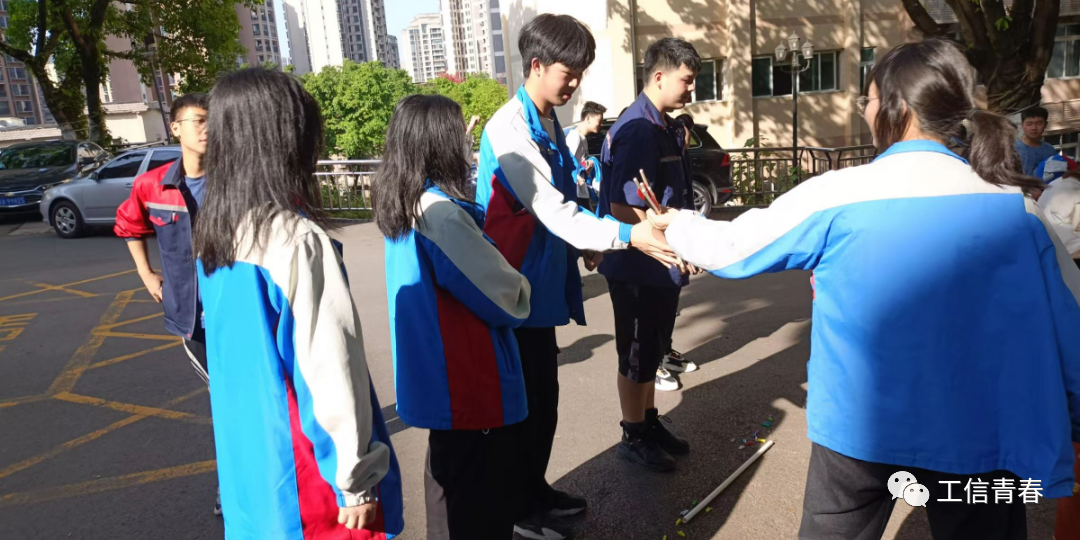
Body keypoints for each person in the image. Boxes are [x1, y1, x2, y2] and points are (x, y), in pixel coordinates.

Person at [648, 39, 1080, 540]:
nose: (866, 111)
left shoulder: (838, 193)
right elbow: (1070, 330)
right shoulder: (1017, 209)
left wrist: (676, 223)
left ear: (894, 107)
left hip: (858, 427)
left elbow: (731, 248)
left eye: (867, 100)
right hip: (976, 434)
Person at [474, 13, 670, 540]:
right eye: (569, 72)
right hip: (511, 290)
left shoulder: (548, 122)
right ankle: (519, 510)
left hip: (538, 286)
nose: (575, 83)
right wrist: (626, 235)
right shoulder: (509, 129)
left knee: (544, 400)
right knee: (522, 407)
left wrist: (588, 242)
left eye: (581, 72)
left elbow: (568, 199)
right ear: (537, 65)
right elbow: (551, 208)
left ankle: (535, 490)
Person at [192, 68, 404, 540]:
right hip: (306, 475)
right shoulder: (293, 238)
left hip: (252, 467)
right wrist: (355, 480)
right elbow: (327, 367)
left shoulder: (216, 232)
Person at [373, 94, 531, 540]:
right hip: (468, 382)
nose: (465, 145)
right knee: (481, 507)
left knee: (446, 494)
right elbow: (507, 297)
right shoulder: (441, 214)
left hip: (436, 376)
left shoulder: (404, 203)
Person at [113, 93, 219, 514]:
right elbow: (128, 225)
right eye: (198, 121)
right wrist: (146, 275)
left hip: (242, 312)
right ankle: (232, 486)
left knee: (255, 396)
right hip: (192, 318)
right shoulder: (152, 185)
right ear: (175, 128)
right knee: (225, 399)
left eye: (212, 120)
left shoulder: (234, 181)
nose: (207, 129)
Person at [597, 38, 699, 472]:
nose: (691, 89)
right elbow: (623, 205)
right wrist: (669, 249)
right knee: (637, 353)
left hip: (658, 263)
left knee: (653, 350)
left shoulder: (660, 125)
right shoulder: (638, 128)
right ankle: (633, 433)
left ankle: (648, 421)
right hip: (639, 265)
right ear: (659, 76)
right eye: (686, 80)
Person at [565, 101, 607, 209]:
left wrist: (587, 164)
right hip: (576, 193)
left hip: (582, 192)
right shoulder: (575, 137)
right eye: (599, 120)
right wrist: (577, 177)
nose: (601, 124)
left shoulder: (582, 138)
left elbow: (577, 161)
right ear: (588, 118)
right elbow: (567, 162)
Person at [1038, 169, 1080, 270]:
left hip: (1045, 250)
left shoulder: (1060, 182)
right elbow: (1065, 241)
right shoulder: (1072, 192)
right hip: (1059, 258)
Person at [1015, 106, 1059, 177]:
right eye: (1029, 124)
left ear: (1046, 124)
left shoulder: (1050, 150)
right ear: (1022, 125)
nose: (1034, 128)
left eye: (1039, 124)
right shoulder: (1013, 148)